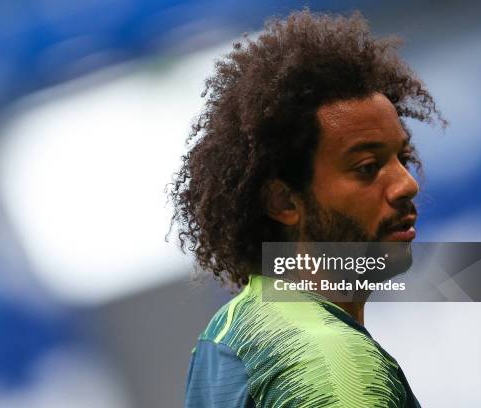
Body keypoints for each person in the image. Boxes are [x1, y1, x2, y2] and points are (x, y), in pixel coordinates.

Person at [169, 9, 445, 408]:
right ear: (283, 201)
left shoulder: (232, 325)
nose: (407, 183)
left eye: (402, 156)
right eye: (367, 168)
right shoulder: (337, 369)